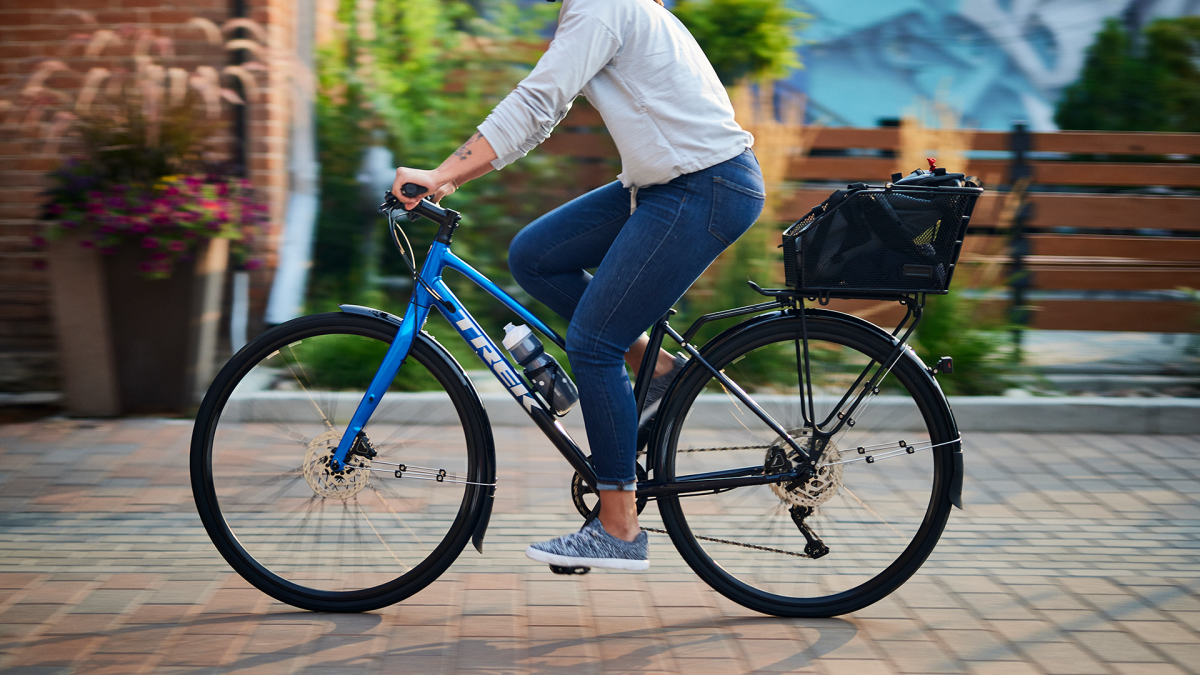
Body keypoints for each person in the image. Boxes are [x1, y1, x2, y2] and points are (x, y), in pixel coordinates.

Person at [392, 0, 763, 571]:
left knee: (593, 344)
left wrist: (441, 174)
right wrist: (453, 176)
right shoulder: (605, 8)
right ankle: (656, 368)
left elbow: (536, 99)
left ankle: (619, 528)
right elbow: (545, 111)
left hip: (702, 186)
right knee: (536, 256)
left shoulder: (603, 5)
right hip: (669, 183)